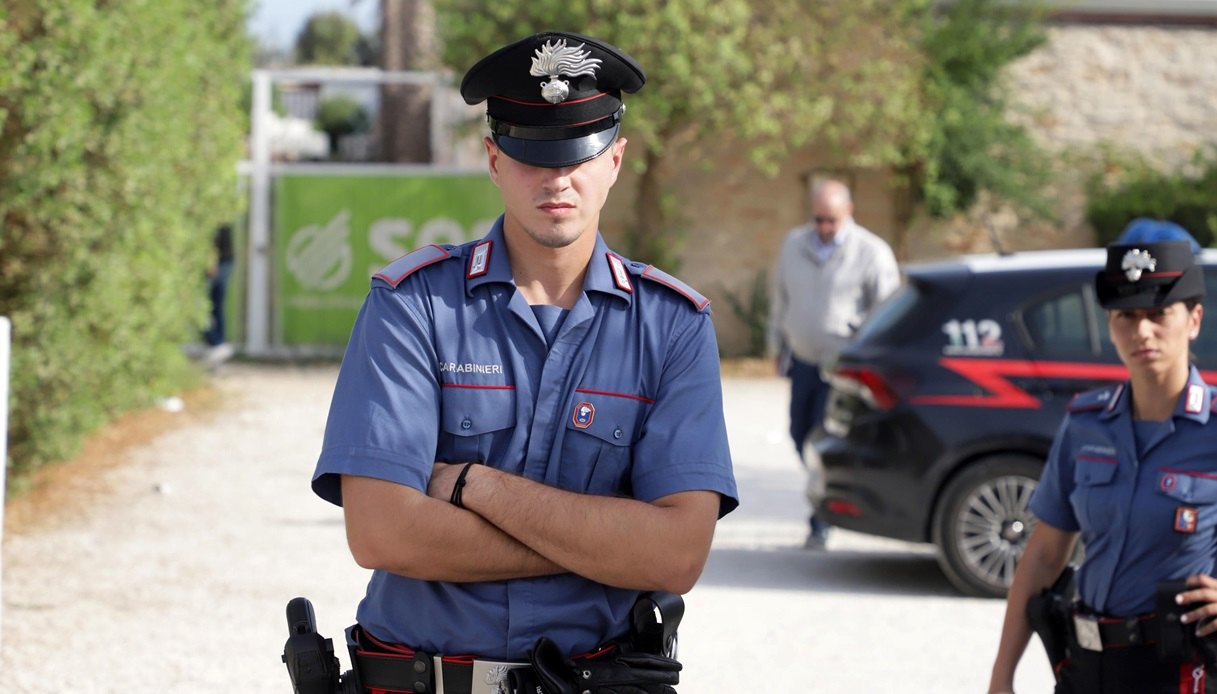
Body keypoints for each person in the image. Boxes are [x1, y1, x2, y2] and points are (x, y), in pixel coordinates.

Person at [309, 31, 738, 694]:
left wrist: (474, 487)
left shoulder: (672, 326)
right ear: (493, 159)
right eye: (532, 155)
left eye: (578, 154)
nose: (557, 178)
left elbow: (675, 555)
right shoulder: (412, 306)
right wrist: (602, 545)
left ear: (615, 160)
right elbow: (381, 533)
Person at [987, 233, 1217, 694]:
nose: (1142, 332)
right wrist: (1001, 676)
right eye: (1126, 317)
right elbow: (1045, 556)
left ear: (1193, 320)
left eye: (1158, 315)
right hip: (1086, 666)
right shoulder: (1086, 425)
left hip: (1179, 671)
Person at [767, 180, 900, 549]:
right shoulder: (794, 245)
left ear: (849, 213)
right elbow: (780, 297)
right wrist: (777, 343)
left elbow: (886, 312)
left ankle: (820, 521)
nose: (824, 227)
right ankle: (821, 494)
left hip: (843, 369)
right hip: (805, 362)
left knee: (825, 440)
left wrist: (871, 360)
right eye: (819, 219)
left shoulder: (872, 253)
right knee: (798, 433)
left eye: (832, 220)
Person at [203, 223, 235, 366]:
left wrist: (211, 262)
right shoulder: (226, 210)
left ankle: (217, 343)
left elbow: (214, 237)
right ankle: (219, 348)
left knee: (197, 307)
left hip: (217, 264)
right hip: (226, 261)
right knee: (217, 308)